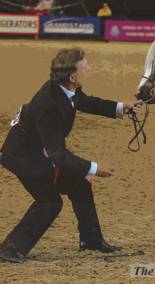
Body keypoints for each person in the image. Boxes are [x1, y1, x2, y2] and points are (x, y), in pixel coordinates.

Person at [0, 48, 143, 263]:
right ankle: (10, 248)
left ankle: (91, 241)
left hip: (37, 151)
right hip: (23, 157)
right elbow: (57, 154)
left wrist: (122, 108)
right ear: (73, 77)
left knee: (79, 184)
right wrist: (94, 168)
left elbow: (85, 102)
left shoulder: (64, 90)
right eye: (85, 67)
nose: (89, 69)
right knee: (49, 202)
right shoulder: (50, 105)